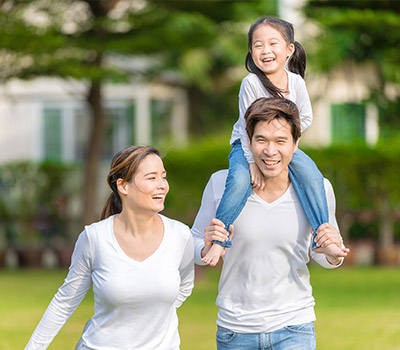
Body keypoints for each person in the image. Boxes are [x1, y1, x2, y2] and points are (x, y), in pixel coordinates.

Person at [192, 97, 349, 350]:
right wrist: (204, 245)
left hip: (294, 327)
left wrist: (332, 256)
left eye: (280, 141)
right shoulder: (221, 185)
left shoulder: (317, 190)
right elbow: (195, 242)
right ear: (249, 142)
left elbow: (322, 253)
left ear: (296, 143)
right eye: (261, 140)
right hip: (236, 330)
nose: (270, 151)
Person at [25, 146, 194, 350]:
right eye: (152, 178)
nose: (162, 186)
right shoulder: (94, 237)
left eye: (163, 177)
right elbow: (65, 301)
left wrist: (152, 314)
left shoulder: (180, 235)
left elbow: (185, 285)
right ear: (123, 186)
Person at [202, 16, 335, 266]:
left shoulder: (295, 82)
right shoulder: (250, 83)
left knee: (312, 175)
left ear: (289, 49)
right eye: (258, 45)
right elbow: (244, 127)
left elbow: (306, 116)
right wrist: (251, 162)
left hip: (284, 148)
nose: (265, 50)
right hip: (247, 146)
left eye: (273, 43)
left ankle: (323, 237)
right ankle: (220, 241)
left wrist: (287, 133)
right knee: (240, 180)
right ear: (251, 52)